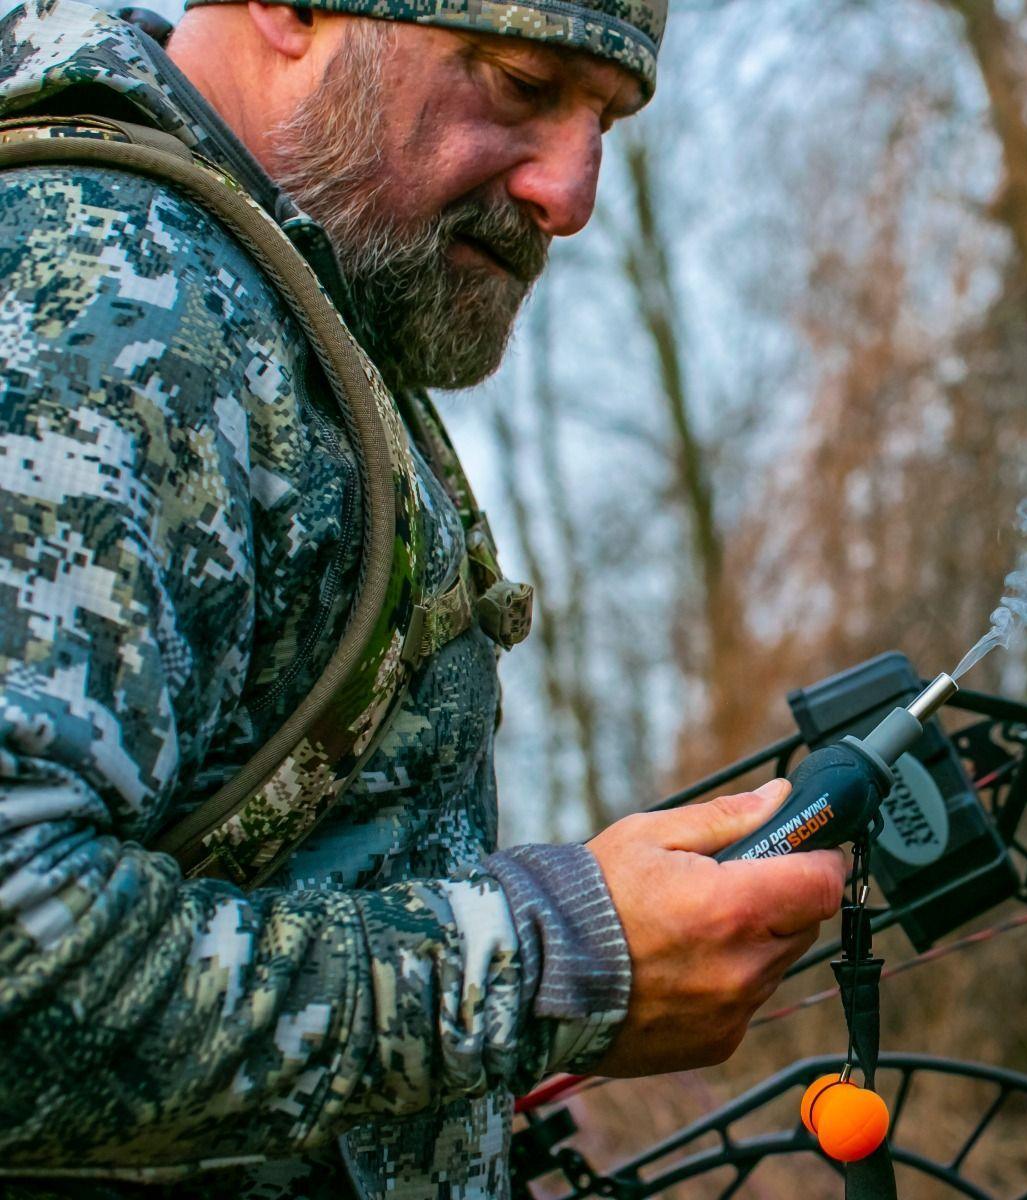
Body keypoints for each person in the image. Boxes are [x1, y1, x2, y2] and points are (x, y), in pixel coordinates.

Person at [0, 0, 848, 1195]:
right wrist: (556, 958)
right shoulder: (101, 297)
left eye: (605, 120)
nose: (572, 194)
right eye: (517, 82)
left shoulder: (277, 295)